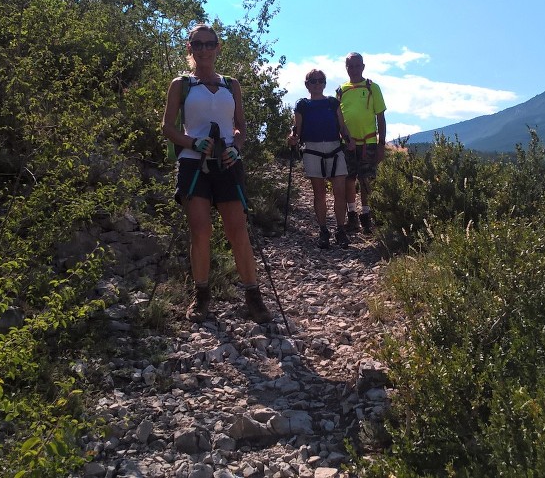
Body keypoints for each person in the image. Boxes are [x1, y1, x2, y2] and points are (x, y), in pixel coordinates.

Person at [161, 23, 272, 324]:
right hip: (192, 163)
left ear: (218, 46)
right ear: (190, 48)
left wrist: (236, 145)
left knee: (238, 229)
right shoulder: (181, 84)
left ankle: (253, 295)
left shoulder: (230, 84)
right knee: (200, 231)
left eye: (210, 44)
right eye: (199, 44)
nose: (205, 49)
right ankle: (202, 295)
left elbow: (241, 127)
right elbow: (167, 127)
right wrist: (193, 142)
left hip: (227, 162)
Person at [287, 69, 354, 249]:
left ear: (325, 83)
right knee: (320, 193)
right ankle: (323, 230)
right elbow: (297, 129)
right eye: (313, 81)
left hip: (334, 147)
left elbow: (342, 126)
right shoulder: (302, 105)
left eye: (320, 80)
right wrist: (292, 138)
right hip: (312, 149)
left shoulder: (333, 103)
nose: (317, 84)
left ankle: (340, 230)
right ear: (307, 84)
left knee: (339, 192)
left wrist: (348, 140)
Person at [337, 52, 386, 234]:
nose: (354, 69)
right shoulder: (341, 91)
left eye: (358, 66)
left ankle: (366, 217)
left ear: (363, 67)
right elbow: (338, 119)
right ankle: (352, 216)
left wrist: (381, 144)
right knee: (349, 179)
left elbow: (380, 117)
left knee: (366, 180)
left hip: (369, 142)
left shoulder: (373, 87)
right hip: (347, 142)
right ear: (346, 68)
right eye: (351, 66)